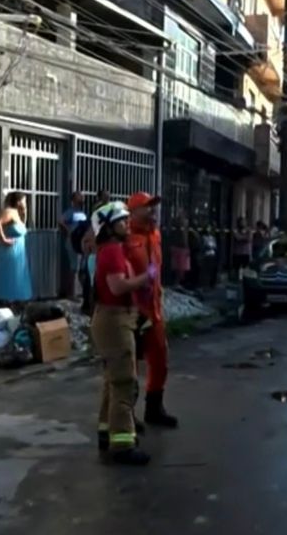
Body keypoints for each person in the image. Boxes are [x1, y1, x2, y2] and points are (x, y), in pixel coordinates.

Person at [91, 201, 155, 465]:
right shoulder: (112, 252)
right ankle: (123, 444)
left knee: (112, 379)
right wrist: (146, 277)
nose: (127, 224)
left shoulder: (113, 249)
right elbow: (117, 287)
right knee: (124, 383)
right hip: (114, 321)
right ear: (108, 227)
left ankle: (107, 432)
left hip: (115, 318)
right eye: (121, 221)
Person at [124, 192, 178, 429]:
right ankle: (127, 416)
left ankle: (154, 408)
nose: (153, 211)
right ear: (133, 212)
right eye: (147, 207)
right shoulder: (124, 237)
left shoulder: (155, 234)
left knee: (160, 361)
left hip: (154, 310)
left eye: (154, 206)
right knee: (130, 368)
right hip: (133, 311)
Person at [0, 192, 34, 305]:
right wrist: (3, 239)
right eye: (24, 201)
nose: (25, 203)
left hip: (17, 254)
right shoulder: (10, 211)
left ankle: (15, 304)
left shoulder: (18, 214)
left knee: (18, 279)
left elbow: (22, 228)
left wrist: (24, 212)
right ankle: (6, 304)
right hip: (8, 252)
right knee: (9, 280)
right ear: (18, 201)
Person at [60, 191, 89, 300]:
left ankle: (84, 292)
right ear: (73, 200)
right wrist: (68, 231)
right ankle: (70, 293)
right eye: (79, 197)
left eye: (82, 197)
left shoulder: (83, 213)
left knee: (82, 268)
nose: (82, 198)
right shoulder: (70, 212)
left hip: (81, 243)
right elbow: (61, 221)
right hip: (72, 242)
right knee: (73, 268)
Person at [165, 214, 192, 289]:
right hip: (180, 248)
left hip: (179, 247)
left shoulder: (179, 230)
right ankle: (176, 282)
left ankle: (177, 282)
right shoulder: (180, 230)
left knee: (180, 266)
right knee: (180, 267)